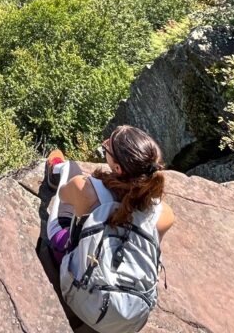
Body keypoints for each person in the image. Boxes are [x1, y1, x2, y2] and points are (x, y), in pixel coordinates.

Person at [44, 125, 175, 331]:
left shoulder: (86, 189)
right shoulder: (164, 214)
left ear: (118, 168)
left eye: (107, 147)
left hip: (80, 290)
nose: (105, 147)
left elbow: (64, 197)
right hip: (130, 314)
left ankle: (55, 168)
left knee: (69, 169)